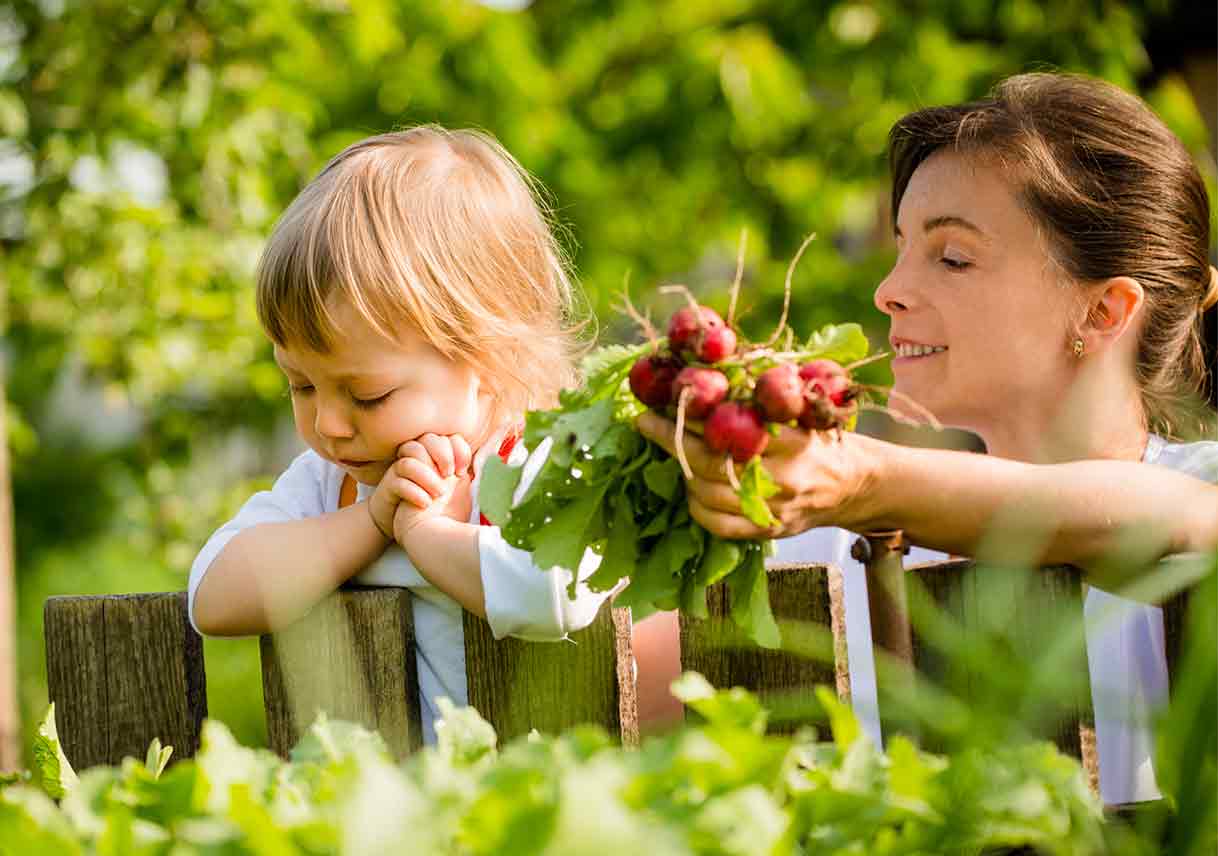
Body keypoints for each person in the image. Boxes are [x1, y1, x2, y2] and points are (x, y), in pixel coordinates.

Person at [638, 72, 1218, 806]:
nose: (888, 290)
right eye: (903, 246)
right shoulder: (823, 538)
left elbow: (1177, 519)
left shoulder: (1201, 484)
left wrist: (867, 481)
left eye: (952, 257)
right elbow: (613, 673)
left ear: (1104, 310)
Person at [189, 126, 608, 744]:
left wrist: (425, 533)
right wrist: (373, 523)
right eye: (301, 386)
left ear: (487, 364)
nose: (328, 425)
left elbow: (558, 592)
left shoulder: (542, 459)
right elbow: (214, 596)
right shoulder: (332, 488)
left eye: (368, 395)